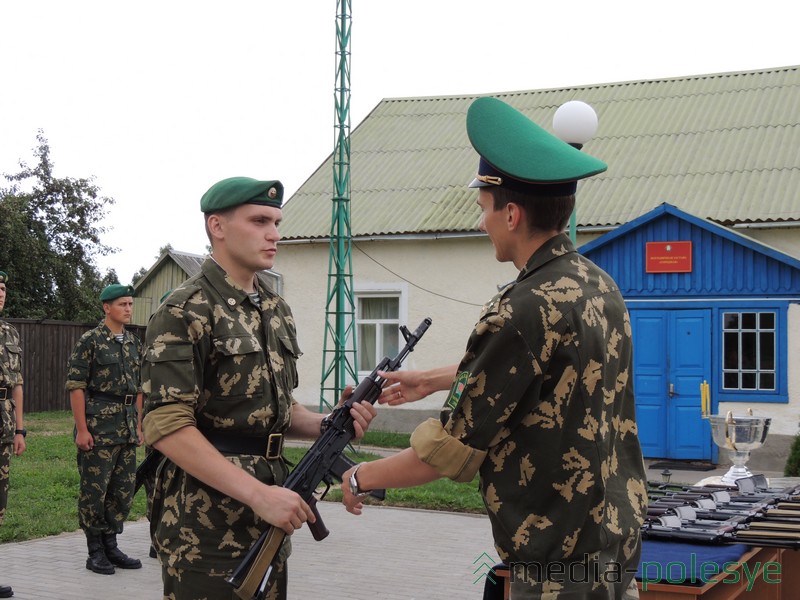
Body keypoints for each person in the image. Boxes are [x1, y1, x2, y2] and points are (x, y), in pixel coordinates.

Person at [341, 97, 647, 600]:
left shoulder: (519, 308)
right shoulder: (598, 285)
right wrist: (428, 380)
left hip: (556, 563)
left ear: (511, 214)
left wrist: (358, 476)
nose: (481, 223)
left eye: (483, 210)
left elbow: (447, 453)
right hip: (612, 545)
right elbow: (543, 374)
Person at [140, 176, 377, 600]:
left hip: (271, 511)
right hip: (204, 522)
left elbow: (277, 410)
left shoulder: (274, 307)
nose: (274, 234)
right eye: (260, 221)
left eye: (277, 222)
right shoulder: (185, 309)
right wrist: (257, 495)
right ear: (218, 227)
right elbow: (166, 425)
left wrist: (329, 423)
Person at [66, 283, 144, 575]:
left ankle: (111, 545)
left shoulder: (135, 343)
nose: (127, 309)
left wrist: (137, 426)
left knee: (121, 490)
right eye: (122, 304)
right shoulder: (91, 341)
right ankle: (95, 550)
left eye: (130, 304)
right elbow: (76, 387)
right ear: (106, 307)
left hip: (125, 426)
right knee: (94, 491)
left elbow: (138, 389)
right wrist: (82, 429)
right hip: (98, 426)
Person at [0, 271, 27, 599]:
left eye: (4, 287)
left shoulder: (9, 332)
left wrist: (20, 428)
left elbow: (17, 384)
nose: (1, 293)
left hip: (4, 423)